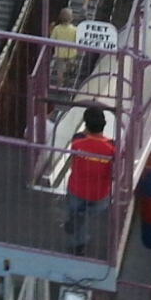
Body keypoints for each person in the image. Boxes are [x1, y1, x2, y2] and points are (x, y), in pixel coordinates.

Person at [65, 107, 115, 254]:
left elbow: (81, 136)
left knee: (75, 212)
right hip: (99, 192)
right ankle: (84, 216)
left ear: (86, 124)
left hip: (76, 188)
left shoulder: (77, 141)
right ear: (104, 124)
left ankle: (77, 243)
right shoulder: (112, 148)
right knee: (94, 210)